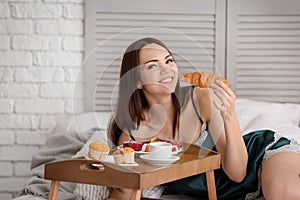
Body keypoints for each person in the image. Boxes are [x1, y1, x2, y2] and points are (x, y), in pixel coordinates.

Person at [108, 37, 300, 200]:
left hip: (260, 159)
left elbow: (238, 173)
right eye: (152, 66)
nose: (166, 69)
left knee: (283, 191)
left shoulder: (201, 99)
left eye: (169, 61)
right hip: (223, 191)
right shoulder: (131, 137)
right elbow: (124, 194)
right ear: (137, 81)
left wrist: (230, 114)